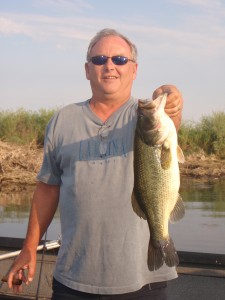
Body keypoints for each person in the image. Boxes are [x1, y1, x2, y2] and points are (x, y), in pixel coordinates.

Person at [7, 28, 183, 299]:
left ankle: (159, 242)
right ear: (87, 70)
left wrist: (171, 94)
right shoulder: (62, 120)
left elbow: (170, 109)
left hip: (143, 282)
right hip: (73, 281)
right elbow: (47, 189)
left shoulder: (144, 116)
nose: (109, 65)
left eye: (120, 60)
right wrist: (29, 247)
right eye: (99, 59)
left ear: (134, 70)